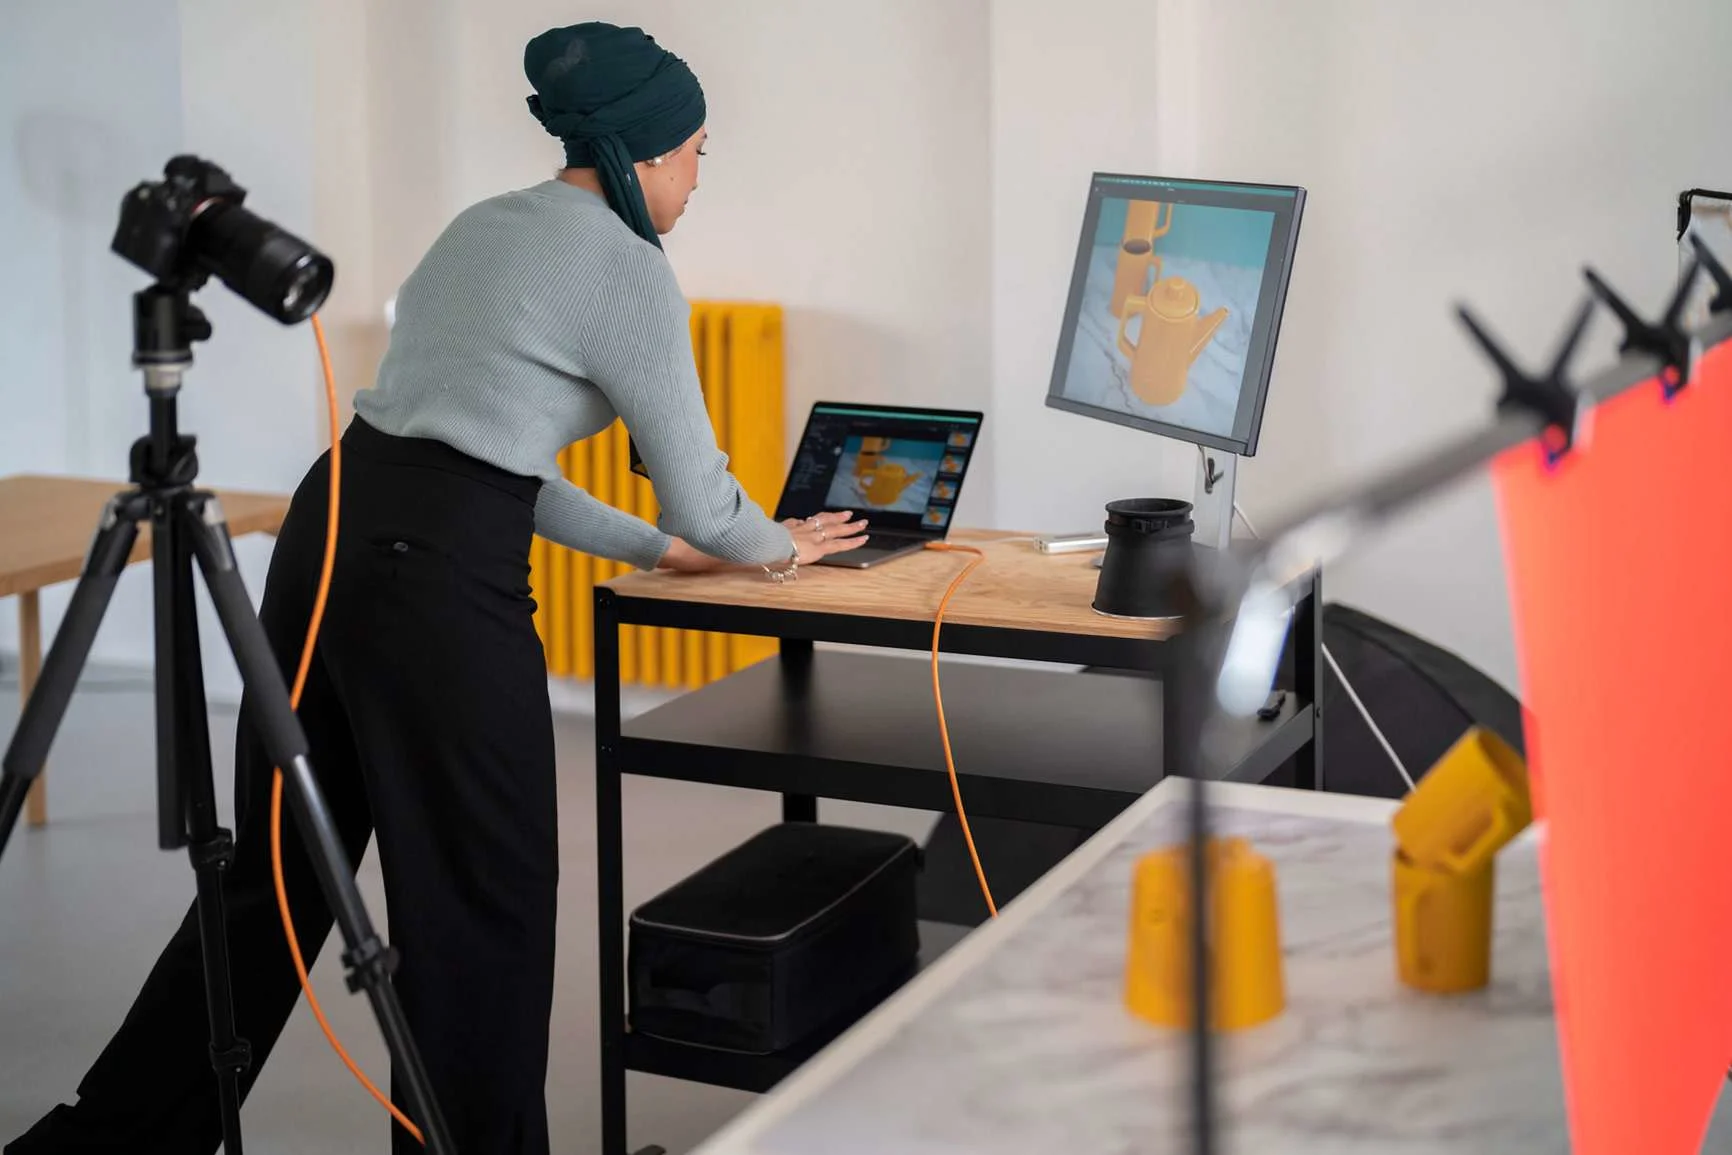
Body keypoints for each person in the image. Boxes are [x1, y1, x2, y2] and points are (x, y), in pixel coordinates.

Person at [7, 20, 866, 1155]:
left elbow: (490, 460)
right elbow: (703, 499)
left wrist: (668, 555)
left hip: (333, 525)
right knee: (480, 916)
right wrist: (778, 548)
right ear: (647, 154)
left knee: (269, 886)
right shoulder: (627, 268)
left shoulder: (484, 227)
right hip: (437, 588)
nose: (701, 176)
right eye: (698, 151)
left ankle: (102, 1144)